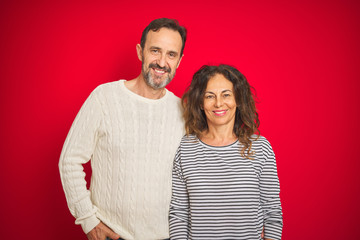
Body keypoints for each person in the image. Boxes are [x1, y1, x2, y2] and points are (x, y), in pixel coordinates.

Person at [59, 18, 187, 240]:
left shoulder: (182, 111)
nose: (162, 62)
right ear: (140, 52)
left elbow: (198, 175)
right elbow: (69, 160)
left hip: (167, 236)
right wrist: (88, 220)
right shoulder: (104, 97)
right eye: (155, 51)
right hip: (111, 235)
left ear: (179, 61)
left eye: (171, 54)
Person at [169, 64, 283, 239]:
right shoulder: (185, 148)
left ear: (237, 99)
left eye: (226, 95)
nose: (219, 103)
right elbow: (179, 213)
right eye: (210, 96)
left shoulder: (260, 148)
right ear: (200, 102)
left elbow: (272, 212)